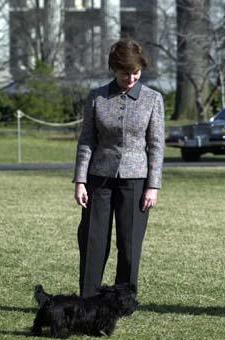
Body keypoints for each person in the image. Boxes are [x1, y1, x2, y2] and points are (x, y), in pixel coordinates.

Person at [73, 39, 165, 298]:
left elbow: (156, 146)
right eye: (126, 73)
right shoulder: (97, 97)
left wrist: (153, 186)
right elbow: (87, 141)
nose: (131, 78)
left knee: (129, 243)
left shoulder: (153, 99)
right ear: (114, 69)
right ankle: (89, 299)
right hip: (98, 178)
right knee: (93, 240)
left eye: (136, 72)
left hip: (136, 181)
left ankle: (124, 300)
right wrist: (80, 180)